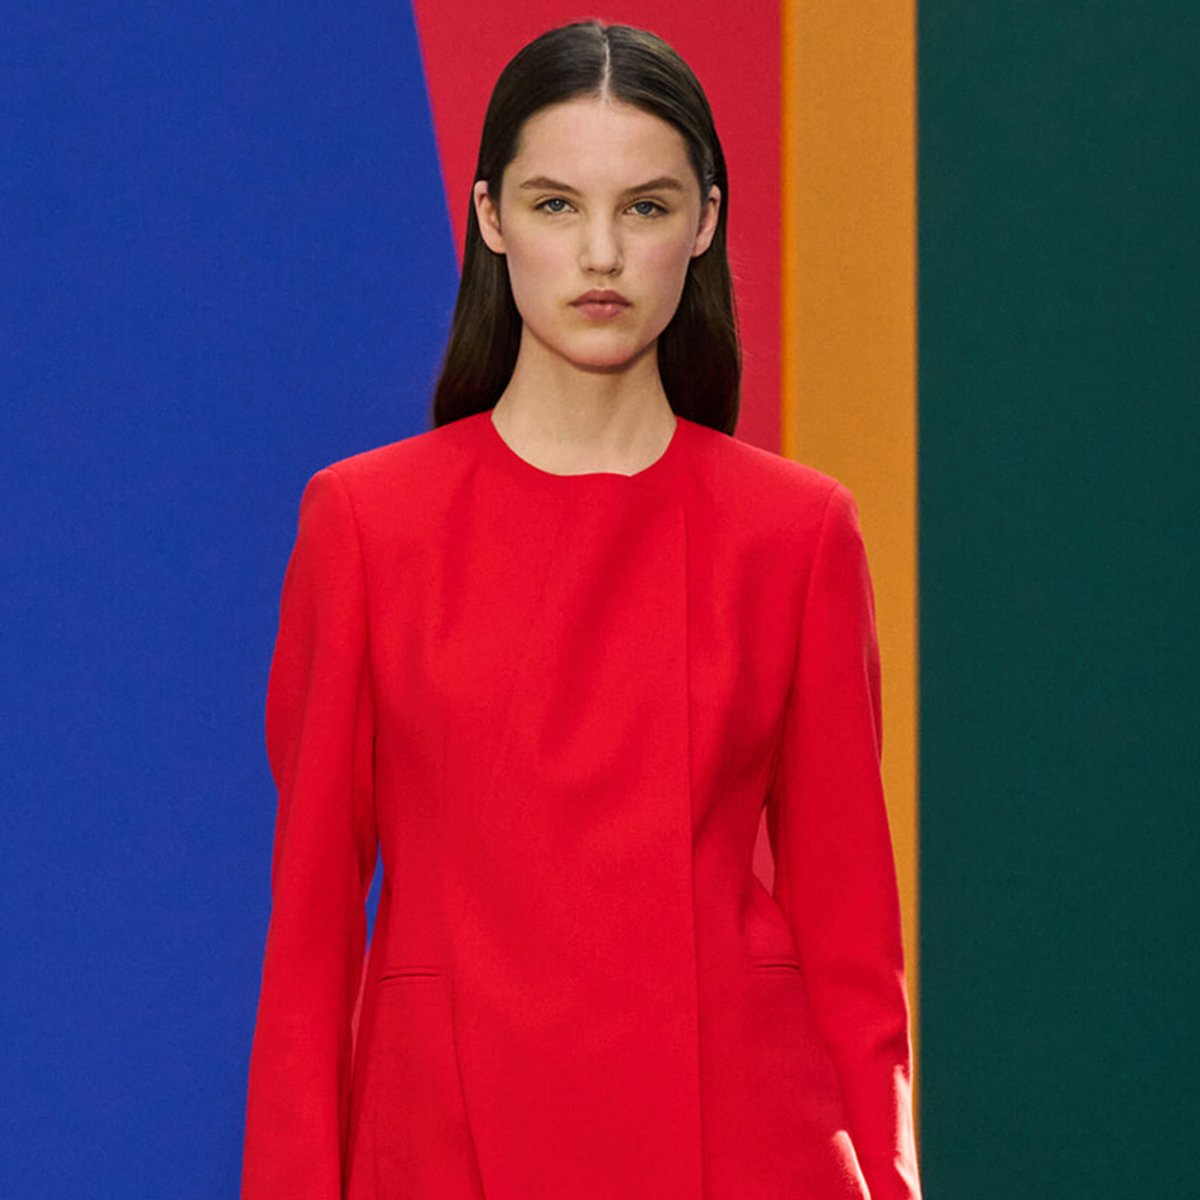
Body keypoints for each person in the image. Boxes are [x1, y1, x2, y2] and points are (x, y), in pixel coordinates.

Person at [241, 18, 923, 1200]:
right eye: (557, 205)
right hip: (445, 1142)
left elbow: (856, 950)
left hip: (742, 1142)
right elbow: (306, 946)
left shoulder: (797, 534)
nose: (601, 252)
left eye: (646, 208)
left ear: (705, 222)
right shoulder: (365, 526)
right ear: (491, 217)